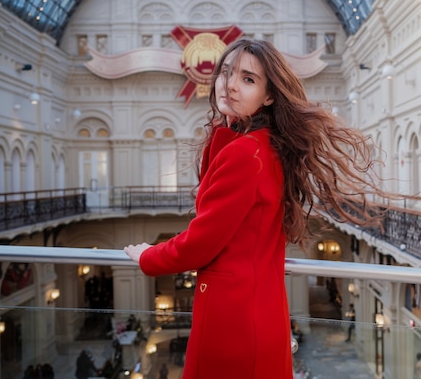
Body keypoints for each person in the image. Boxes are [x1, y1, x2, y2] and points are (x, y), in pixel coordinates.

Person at [124, 39, 385, 379]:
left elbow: (200, 243)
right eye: (226, 72)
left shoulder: (245, 154)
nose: (229, 84)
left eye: (247, 79)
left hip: (232, 319)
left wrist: (148, 256)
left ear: (269, 95)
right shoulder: (261, 148)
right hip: (257, 310)